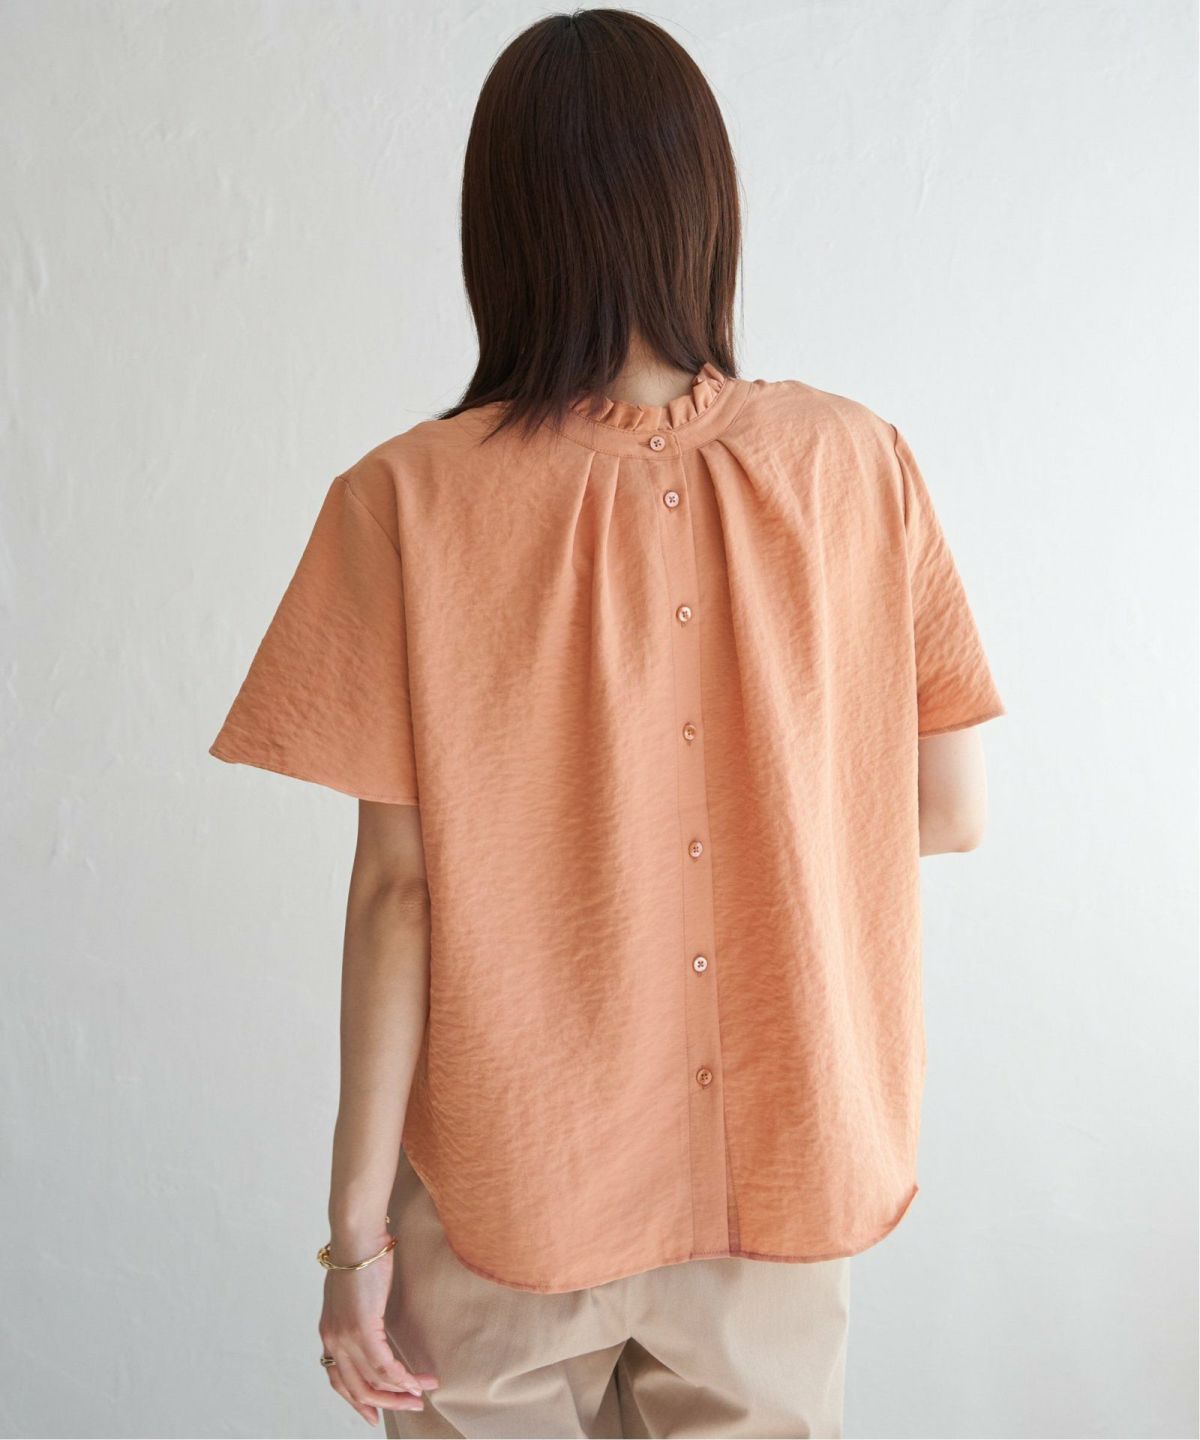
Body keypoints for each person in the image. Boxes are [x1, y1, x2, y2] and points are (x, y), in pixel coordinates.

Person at [208, 9, 1006, 1438]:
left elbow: (399, 895)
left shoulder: (406, 501)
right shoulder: (857, 463)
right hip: (780, 1184)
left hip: (512, 1188)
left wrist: (353, 1242)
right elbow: (948, 811)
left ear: (502, 226)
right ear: (706, 209)